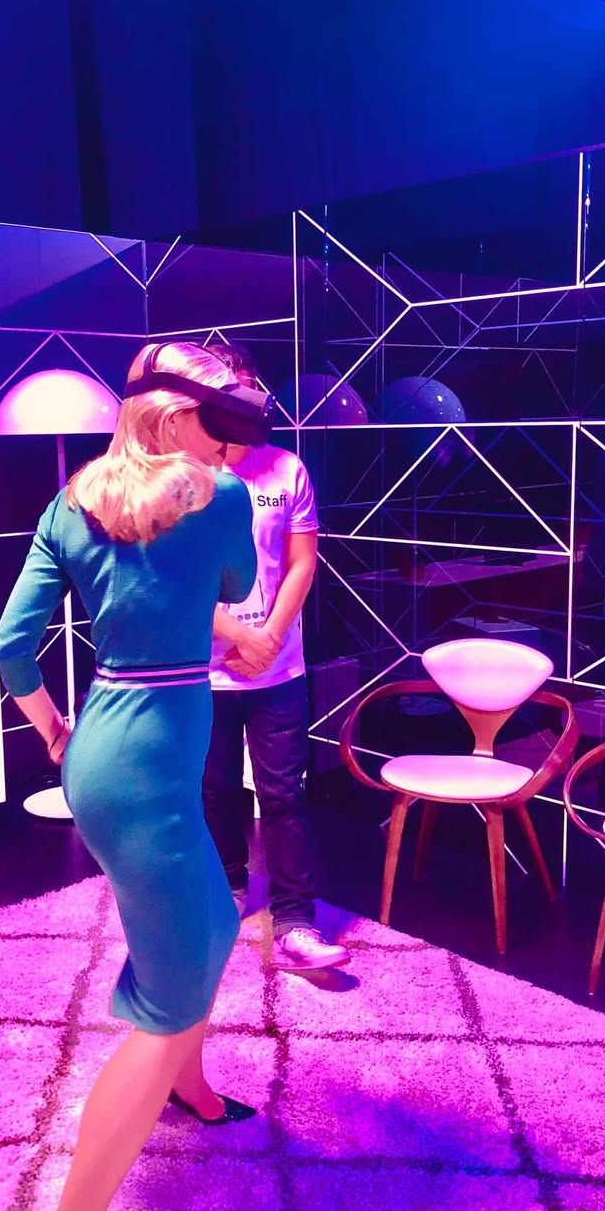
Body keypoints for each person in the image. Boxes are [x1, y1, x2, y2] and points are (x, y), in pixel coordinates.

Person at [0, 341, 270, 1211]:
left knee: (214, 925)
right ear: (178, 417)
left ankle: (190, 1087)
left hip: (105, 748)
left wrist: (53, 730)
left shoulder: (70, 502)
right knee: (174, 989)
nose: (231, 441)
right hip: (152, 767)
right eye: (220, 421)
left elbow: (12, 647)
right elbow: (235, 582)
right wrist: (223, 619)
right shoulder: (222, 498)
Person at [202, 341, 350, 971]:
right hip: (202, 667)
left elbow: (302, 563)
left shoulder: (285, 468)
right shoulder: (179, 474)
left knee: (284, 794)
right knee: (213, 789)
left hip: (278, 667)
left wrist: (266, 639)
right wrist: (237, 637)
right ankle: (228, 888)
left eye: (245, 389)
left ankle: (295, 923)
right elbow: (170, 576)